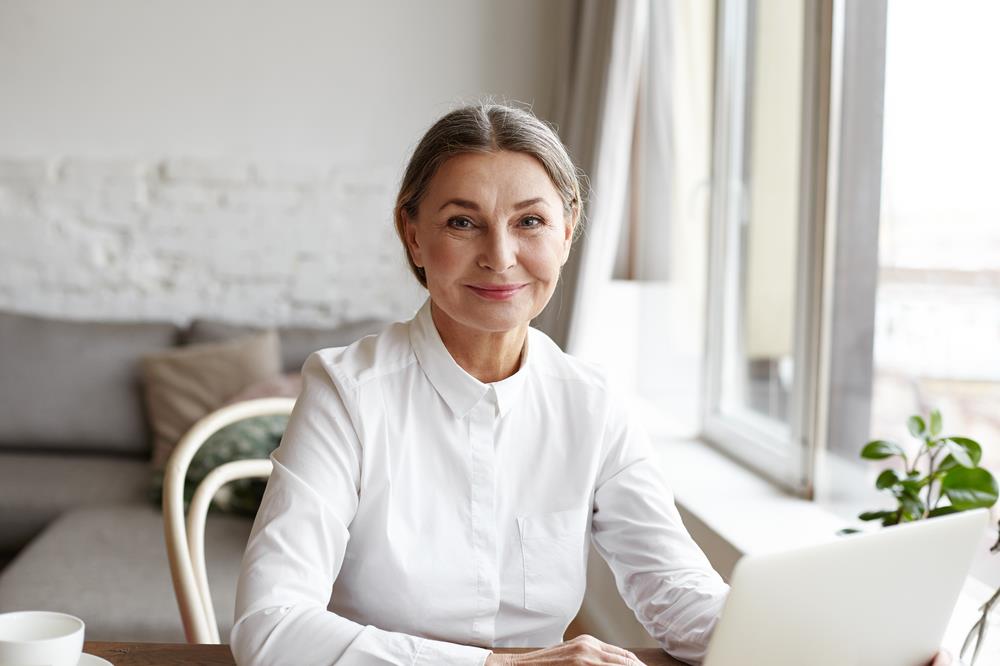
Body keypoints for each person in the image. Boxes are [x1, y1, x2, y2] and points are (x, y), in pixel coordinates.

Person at [231, 102, 730, 666]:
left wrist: (792, 636)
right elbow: (270, 629)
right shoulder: (346, 392)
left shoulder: (593, 403)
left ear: (567, 232)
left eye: (530, 222)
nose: (500, 256)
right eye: (463, 222)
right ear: (413, 236)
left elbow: (678, 594)